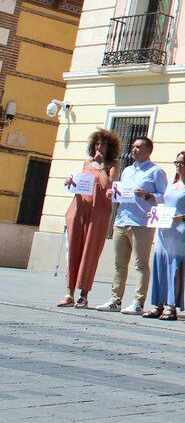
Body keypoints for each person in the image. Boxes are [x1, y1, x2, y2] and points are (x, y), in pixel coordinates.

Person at [96, 137, 168, 315]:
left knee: (141, 264)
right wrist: (113, 193)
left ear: (148, 150)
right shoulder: (127, 171)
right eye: (133, 147)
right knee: (119, 264)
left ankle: (138, 302)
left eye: (138, 147)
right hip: (121, 220)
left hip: (141, 222)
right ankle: (115, 300)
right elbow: (121, 192)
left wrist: (148, 195)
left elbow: (165, 195)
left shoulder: (156, 171)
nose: (134, 150)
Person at [59, 128, 120, 309]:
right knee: (74, 250)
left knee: (90, 252)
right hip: (79, 209)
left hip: (98, 212)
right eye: (97, 143)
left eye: (104, 144)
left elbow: (107, 185)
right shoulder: (87, 163)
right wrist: (70, 184)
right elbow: (82, 184)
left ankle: (83, 295)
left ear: (110, 148)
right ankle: (69, 293)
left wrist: (102, 166)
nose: (100, 147)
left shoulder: (113, 165)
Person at [145, 151, 185, 320]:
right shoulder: (173, 184)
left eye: (181, 163)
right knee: (160, 263)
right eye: (176, 163)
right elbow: (166, 203)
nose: (178, 166)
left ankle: (171, 306)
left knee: (175, 266)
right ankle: (159, 303)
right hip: (164, 229)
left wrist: (183, 216)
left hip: (181, 230)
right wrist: (155, 214)